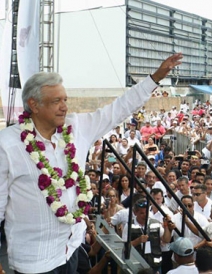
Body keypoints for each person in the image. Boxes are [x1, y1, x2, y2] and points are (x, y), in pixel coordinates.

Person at [0, 53, 183, 273]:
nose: (64, 107)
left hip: (72, 249)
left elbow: (119, 109)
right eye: (56, 101)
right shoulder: (7, 145)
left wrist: (155, 78)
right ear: (34, 105)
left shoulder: (77, 127)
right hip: (35, 260)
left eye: (65, 100)